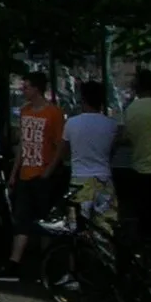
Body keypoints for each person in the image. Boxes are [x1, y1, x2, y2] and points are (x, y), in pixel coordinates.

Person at [0, 70, 66, 284]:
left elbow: (60, 146)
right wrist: (14, 173)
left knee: (45, 222)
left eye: (26, 87)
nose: (23, 90)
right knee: (22, 219)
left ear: (37, 89)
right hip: (26, 173)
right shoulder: (25, 112)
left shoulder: (54, 113)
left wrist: (48, 172)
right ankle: (15, 263)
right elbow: (23, 145)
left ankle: (48, 266)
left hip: (43, 174)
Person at [65, 80, 120, 229]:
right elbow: (112, 151)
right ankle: (104, 251)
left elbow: (65, 149)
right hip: (104, 179)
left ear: (83, 99)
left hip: (79, 180)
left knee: (77, 226)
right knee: (105, 226)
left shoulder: (71, 123)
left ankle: (83, 252)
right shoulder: (111, 125)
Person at [127, 68, 151, 231]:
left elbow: (129, 136)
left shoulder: (130, 109)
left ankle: (144, 250)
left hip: (139, 167)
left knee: (144, 216)